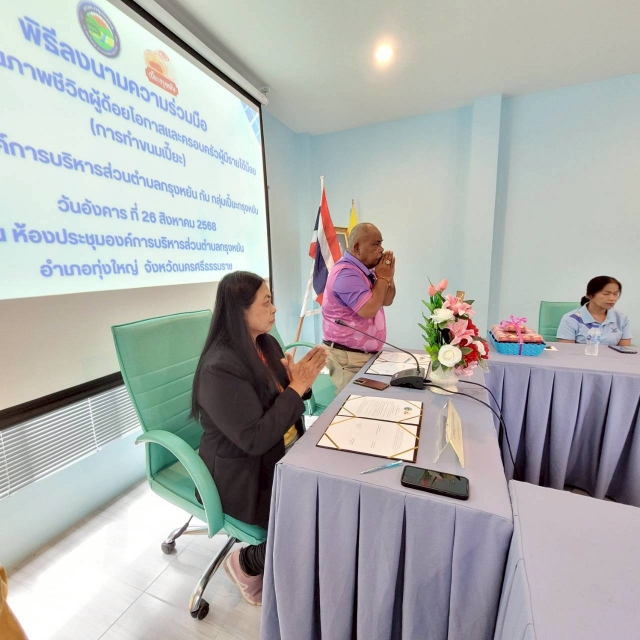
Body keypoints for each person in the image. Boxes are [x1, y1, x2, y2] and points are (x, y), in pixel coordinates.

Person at [191, 271, 327, 606]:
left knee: (334, 496)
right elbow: (254, 439)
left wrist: (300, 386)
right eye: (266, 303)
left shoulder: (266, 343)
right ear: (240, 312)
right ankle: (245, 563)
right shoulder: (219, 368)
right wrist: (295, 388)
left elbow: (285, 400)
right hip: (242, 473)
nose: (274, 309)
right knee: (314, 518)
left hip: (284, 452)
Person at [322, 223, 396, 392]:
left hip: (363, 356)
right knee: (354, 403)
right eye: (376, 244)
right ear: (357, 248)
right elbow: (368, 310)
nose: (381, 249)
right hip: (348, 358)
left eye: (381, 243)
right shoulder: (346, 273)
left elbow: (386, 300)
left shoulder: (365, 270)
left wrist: (388, 276)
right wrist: (383, 278)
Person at [557, 276, 632, 346]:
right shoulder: (571, 319)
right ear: (590, 295)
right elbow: (566, 350)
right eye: (606, 294)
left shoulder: (622, 318)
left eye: (615, 294)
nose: (612, 298)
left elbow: (624, 350)